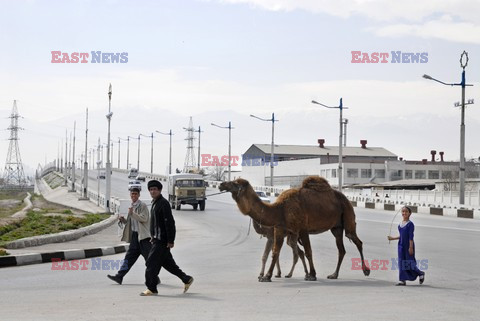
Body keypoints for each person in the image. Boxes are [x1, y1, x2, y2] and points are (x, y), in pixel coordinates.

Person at [140, 180, 194, 296]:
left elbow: (169, 222)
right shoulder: (155, 202)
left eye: (155, 189)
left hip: (162, 241)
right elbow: (155, 223)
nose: (153, 191)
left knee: (150, 264)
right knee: (168, 264)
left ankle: (151, 288)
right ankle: (186, 279)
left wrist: (170, 240)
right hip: (157, 239)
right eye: (151, 189)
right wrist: (153, 236)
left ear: (159, 190)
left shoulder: (163, 203)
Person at [107, 187, 160, 285]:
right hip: (135, 237)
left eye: (135, 194)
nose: (133, 196)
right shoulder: (132, 206)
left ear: (139, 195)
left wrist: (132, 213)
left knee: (149, 259)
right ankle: (119, 276)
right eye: (132, 194)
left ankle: (155, 278)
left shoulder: (142, 206)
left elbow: (144, 219)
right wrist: (123, 220)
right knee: (129, 258)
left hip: (143, 237)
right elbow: (132, 223)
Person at [388, 206, 425, 286]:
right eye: (403, 211)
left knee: (409, 262)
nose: (404, 213)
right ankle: (402, 280)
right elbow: (401, 236)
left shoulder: (410, 224)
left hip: (408, 245)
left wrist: (411, 247)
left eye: (406, 212)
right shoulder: (400, 225)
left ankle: (420, 273)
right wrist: (392, 238)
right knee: (401, 263)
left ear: (409, 213)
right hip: (400, 245)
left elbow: (410, 237)